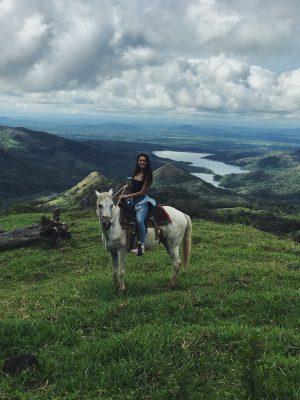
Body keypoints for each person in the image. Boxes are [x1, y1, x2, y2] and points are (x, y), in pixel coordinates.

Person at [119, 153, 156, 255]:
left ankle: (142, 245)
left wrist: (127, 196)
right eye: (140, 160)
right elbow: (134, 187)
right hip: (132, 201)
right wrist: (128, 187)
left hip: (142, 202)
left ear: (147, 162)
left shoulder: (148, 176)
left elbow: (142, 192)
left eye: (144, 160)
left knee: (139, 221)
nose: (142, 162)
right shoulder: (136, 172)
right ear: (138, 161)